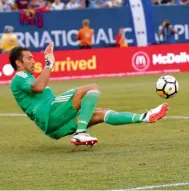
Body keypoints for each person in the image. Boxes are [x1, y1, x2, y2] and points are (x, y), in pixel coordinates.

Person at [9, 44, 168, 146]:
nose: (32, 61)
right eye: (29, 58)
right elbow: (39, 87)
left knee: (100, 113)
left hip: (54, 126)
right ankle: (80, 133)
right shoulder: (20, 77)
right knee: (91, 88)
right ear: (18, 63)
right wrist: (49, 64)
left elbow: (38, 86)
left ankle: (144, 117)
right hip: (50, 115)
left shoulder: (28, 79)